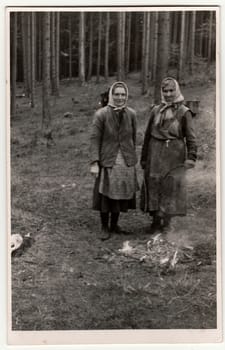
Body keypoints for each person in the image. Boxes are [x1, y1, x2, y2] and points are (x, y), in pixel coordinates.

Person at [140, 77, 197, 233]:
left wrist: (191, 157)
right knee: (154, 182)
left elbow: (191, 137)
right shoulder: (156, 110)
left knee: (170, 186)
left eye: (171, 90)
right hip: (155, 152)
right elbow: (147, 135)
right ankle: (155, 221)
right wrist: (144, 157)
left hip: (174, 155)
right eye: (165, 91)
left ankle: (167, 222)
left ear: (176, 90)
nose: (168, 94)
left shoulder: (184, 112)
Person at [90, 81, 138, 241]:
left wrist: (131, 155)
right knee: (106, 193)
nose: (119, 97)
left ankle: (115, 225)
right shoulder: (101, 114)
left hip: (125, 159)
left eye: (123, 94)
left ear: (126, 96)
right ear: (111, 95)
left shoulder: (131, 114)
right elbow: (95, 139)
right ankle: (105, 226)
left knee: (120, 193)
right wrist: (95, 162)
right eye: (116, 94)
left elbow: (133, 136)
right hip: (108, 159)